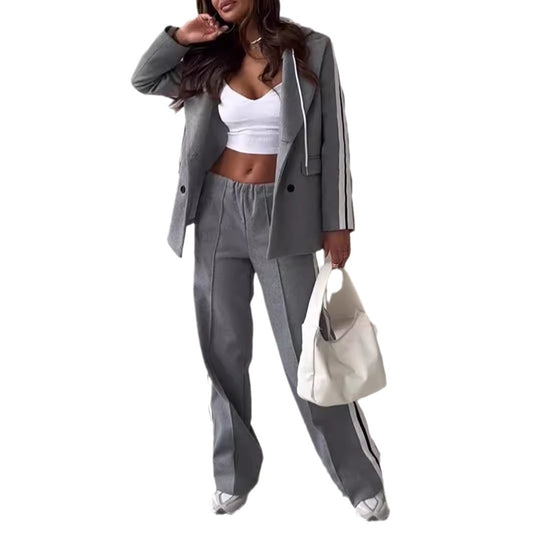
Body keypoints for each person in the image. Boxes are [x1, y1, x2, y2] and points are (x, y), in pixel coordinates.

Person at [131, 0, 389, 520]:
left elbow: (334, 138)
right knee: (222, 349)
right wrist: (181, 38)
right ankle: (232, 474)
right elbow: (145, 79)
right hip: (216, 210)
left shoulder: (311, 49)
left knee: (308, 354)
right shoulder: (208, 53)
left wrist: (337, 222)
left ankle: (360, 478)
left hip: (285, 216)